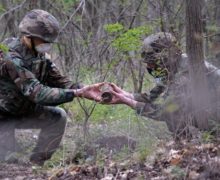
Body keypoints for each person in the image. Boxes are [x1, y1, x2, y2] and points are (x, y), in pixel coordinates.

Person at [0, 9, 104, 165]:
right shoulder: (10, 56)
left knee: (58, 117)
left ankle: (37, 163)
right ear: (28, 37)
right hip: (2, 115)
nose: (46, 45)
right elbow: (38, 93)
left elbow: (60, 81)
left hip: (21, 110)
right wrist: (75, 93)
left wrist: (86, 89)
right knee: (8, 161)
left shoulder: (40, 56)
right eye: (44, 41)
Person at [107, 32, 220, 138]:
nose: (150, 67)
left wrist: (127, 102)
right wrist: (123, 94)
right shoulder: (175, 65)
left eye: (153, 62)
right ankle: (186, 147)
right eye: (148, 63)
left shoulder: (185, 71)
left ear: (166, 57)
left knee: (172, 113)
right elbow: (154, 98)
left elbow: (163, 111)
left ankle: (189, 149)